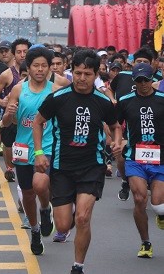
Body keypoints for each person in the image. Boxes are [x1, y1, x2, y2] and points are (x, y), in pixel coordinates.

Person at [32, 49, 123, 274]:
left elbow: (115, 126)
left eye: (88, 74)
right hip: (62, 168)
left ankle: (77, 266)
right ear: (73, 72)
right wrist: (39, 152)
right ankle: (63, 215)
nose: (82, 78)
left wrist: (118, 142)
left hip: (91, 167)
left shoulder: (102, 101)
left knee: (83, 217)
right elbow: (38, 122)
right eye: (79, 73)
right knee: (63, 225)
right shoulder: (58, 98)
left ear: (96, 75)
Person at [2, 47, 60, 254]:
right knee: (27, 193)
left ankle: (45, 208)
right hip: (22, 147)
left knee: (40, 183)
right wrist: (9, 113)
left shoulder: (57, 88)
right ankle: (35, 230)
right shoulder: (18, 89)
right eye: (36, 65)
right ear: (29, 66)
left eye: (45, 65)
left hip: (46, 146)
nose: (40, 69)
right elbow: (6, 123)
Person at [116, 63, 164, 258]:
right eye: (139, 80)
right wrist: (117, 141)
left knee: (158, 203)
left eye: (146, 80)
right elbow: (114, 124)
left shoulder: (162, 100)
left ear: (152, 79)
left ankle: (161, 213)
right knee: (139, 198)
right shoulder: (126, 101)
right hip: (134, 158)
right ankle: (145, 242)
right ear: (134, 82)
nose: (143, 83)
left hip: (160, 159)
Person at [106, 47, 157, 201]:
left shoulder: (156, 82)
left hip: (152, 132)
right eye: (139, 61)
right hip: (128, 128)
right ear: (132, 63)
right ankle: (125, 180)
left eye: (145, 62)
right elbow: (109, 90)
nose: (143, 83)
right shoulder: (122, 76)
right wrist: (113, 99)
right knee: (120, 157)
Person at [0, 38, 32, 183]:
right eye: (19, 52)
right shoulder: (7, 74)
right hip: (11, 116)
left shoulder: (38, 72)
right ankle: (10, 169)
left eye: (25, 52)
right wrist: (2, 102)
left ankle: (22, 176)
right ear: (13, 54)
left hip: (29, 119)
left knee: (25, 150)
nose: (22, 55)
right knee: (9, 146)